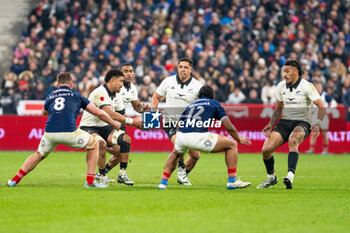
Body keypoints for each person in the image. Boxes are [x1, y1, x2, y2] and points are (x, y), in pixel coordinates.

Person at [7, 72, 121, 188]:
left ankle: (14, 180)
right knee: (94, 145)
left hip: (50, 133)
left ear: (57, 85)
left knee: (38, 154)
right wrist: (113, 123)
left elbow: (44, 112)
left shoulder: (50, 96)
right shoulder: (76, 95)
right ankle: (90, 181)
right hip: (69, 132)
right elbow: (98, 113)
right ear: (71, 84)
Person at [158, 85, 252, 190]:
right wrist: (239, 138)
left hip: (181, 134)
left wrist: (181, 140)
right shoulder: (215, 104)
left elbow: (179, 124)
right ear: (213, 95)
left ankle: (163, 183)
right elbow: (229, 126)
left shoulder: (191, 105)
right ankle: (232, 181)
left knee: (175, 153)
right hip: (198, 136)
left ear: (199, 95)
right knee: (232, 144)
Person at [257, 60, 325, 189]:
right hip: (285, 121)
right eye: (284, 71)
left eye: (287, 71)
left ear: (296, 72)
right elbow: (278, 108)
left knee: (293, 140)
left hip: (303, 121)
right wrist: (271, 124)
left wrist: (317, 123)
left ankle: (290, 176)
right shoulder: (281, 86)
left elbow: (321, 106)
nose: (285, 74)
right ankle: (271, 177)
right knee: (266, 150)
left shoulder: (307, 86)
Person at [79, 68, 142, 186]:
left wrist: (138, 125)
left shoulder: (116, 95)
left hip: (105, 127)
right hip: (89, 127)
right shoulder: (100, 92)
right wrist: (132, 121)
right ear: (112, 81)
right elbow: (109, 113)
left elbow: (121, 115)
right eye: (120, 81)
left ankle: (122, 174)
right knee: (101, 144)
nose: (122, 85)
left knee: (125, 141)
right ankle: (102, 176)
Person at [95, 63, 150, 185]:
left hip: (121, 118)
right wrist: (133, 121)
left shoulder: (133, 88)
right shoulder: (114, 87)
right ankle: (104, 155)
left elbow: (136, 106)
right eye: (126, 71)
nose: (129, 73)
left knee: (122, 150)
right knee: (119, 149)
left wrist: (142, 109)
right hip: (110, 120)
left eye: (131, 71)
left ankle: (103, 173)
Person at [152, 57, 203, 185]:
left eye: (186, 67)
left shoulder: (198, 86)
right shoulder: (168, 81)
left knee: (196, 156)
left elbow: (202, 106)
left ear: (190, 70)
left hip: (188, 124)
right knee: (180, 146)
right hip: (170, 122)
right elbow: (156, 97)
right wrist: (154, 110)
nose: (183, 70)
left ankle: (182, 174)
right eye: (181, 67)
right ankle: (179, 171)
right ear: (177, 68)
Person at [307, 82, 337, 154]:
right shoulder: (312, 95)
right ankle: (311, 149)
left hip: (324, 116)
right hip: (315, 116)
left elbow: (334, 103)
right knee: (313, 133)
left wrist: (328, 110)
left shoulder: (325, 95)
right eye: (317, 87)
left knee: (324, 133)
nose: (318, 88)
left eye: (319, 87)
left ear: (322, 87)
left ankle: (325, 150)